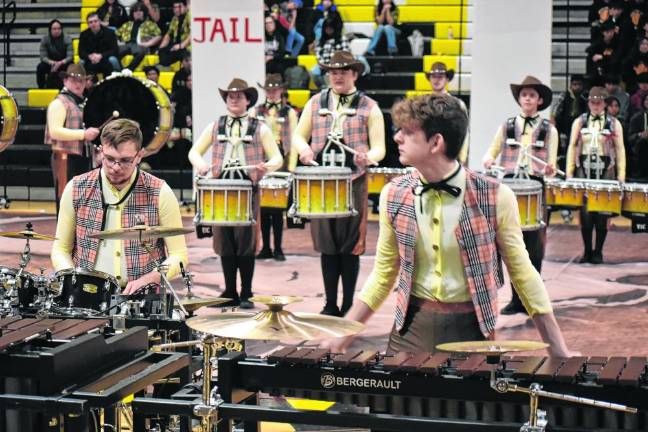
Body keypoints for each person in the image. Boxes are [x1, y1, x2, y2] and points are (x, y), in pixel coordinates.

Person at [324, 93, 571, 358]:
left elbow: (523, 274)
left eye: (407, 132)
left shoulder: (496, 197)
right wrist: (343, 336)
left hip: (473, 331)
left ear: (436, 142)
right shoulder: (393, 194)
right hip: (410, 329)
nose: (397, 137)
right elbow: (383, 275)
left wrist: (558, 351)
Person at [292, 50, 385, 317]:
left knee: (350, 245)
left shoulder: (370, 106)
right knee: (327, 244)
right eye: (333, 71)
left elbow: (379, 147)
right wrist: (304, 150)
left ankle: (347, 303)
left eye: (343, 71)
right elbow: (299, 136)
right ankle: (330, 303)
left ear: (354, 74)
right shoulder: (315, 102)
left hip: (353, 181)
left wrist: (369, 156)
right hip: (322, 183)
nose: (337, 76)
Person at [51, 118, 189, 295]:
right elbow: (60, 249)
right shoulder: (76, 188)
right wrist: (71, 279)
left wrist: (152, 278)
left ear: (139, 156)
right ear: (100, 151)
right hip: (86, 296)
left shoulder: (160, 192)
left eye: (125, 160)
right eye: (109, 159)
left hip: (142, 297)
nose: (116, 167)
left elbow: (179, 256)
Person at [189, 78, 283, 309]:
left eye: (239, 96)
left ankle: (247, 292)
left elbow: (277, 158)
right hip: (221, 190)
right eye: (230, 96)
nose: (233, 100)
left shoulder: (259, 128)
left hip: (246, 188)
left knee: (246, 242)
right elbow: (194, 152)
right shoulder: (215, 126)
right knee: (224, 241)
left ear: (248, 100)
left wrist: (266, 167)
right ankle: (229, 290)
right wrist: (201, 166)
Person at [483, 76, 558, 315]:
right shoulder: (507, 125)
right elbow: (492, 151)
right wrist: (488, 159)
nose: (527, 98)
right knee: (511, 242)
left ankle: (531, 298)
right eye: (524, 95)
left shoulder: (549, 130)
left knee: (534, 245)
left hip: (535, 186)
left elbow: (552, 162)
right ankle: (515, 299)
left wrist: (550, 168)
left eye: (532, 95)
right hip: (510, 186)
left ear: (539, 100)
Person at [566, 87, 626, 264]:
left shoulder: (614, 124)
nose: (595, 106)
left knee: (602, 214)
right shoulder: (580, 122)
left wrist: (621, 174)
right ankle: (586, 250)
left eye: (599, 102)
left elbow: (620, 149)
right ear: (588, 103)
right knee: (585, 214)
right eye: (592, 102)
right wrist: (569, 171)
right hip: (584, 170)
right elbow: (572, 145)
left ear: (605, 104)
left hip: (606, 170)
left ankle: (598, 251)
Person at [250, 74, 299, 262]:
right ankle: (265, 247)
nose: (271, 93)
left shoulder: (290, 112)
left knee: (277, 208)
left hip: (282, 160)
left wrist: (292, 166)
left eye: (274, 90)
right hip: (262, 161)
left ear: (281, 90)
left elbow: (294, 139)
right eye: (268, 90)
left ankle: (278, 247)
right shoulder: (256, 111)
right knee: (263, 208)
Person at [45, 64, 101, 211]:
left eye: (81, 81)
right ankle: (64, 234)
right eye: (74, 80)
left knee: (82, 202)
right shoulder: (59, 103)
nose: (78, 84)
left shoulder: (82, 103)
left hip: (83, 157)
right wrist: (84, 134)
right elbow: (55, 131)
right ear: (65, 81)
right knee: (66, 201)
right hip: (65, 158)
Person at [426, 62, 469, 164]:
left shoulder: (457, 104)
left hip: (450, 155)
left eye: (440, 77)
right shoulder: (423, 103)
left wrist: (462, 157)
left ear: (447, 79)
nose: (436, 80)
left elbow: (464, 132)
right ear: (430, 79)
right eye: (434, 76)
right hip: (427, 155)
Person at [551, 74, 588, 169]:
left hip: (580, 123)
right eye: (574, 84)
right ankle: (559, 152)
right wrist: (553, 118)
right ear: (571, 85)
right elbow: (556, 109)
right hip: (566, 122)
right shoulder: (565, 95)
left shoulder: (584, 96)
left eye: (579, 84)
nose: (577, 87)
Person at [116, 2, 161, 72]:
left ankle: (129, 69)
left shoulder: (150, 24)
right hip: (127, 45)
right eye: (135, 11)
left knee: (141, 51)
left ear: (144, 12)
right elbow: (116, 35)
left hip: (141, 45)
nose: (138, 13)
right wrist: (119, 42)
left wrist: (148, 44)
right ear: (132, 13)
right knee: (114, 52)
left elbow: (159, 36)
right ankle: (119, 70)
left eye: (140, 10)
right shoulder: (127, 24)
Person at [311, 15, 349, 88]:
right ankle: (324, 88)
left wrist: (334, 66)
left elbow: (346, 54)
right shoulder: (320, 41)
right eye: (326, 28)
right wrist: (323, 66)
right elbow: (318, 55)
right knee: (314, 72)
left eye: (330, 28)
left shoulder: (342, 39)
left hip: (338, 66)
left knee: (330, 75)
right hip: (324, 66)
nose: (328, 30)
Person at [79, 12, 121, 77]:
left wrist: (101, 56)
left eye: (95, 21)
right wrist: (89, 56)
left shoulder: (110, 33)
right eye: (90, 22)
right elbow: (81, 52)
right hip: (91, 61)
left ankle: (117, 80)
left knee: (113, 59)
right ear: (88, 24)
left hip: (105, 59)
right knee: (81, 62)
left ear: (99, 22)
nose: (93, 24)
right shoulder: (84, 34)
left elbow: (115, 50)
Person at [37, 19, 73, 89]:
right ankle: (41, 88)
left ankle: (70, 88)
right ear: (50, 30)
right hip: (50, 63)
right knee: (40, 67)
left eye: (59, 29)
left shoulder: (67, 38)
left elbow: (70, 56)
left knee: (72, 65)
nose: (57, 31)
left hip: (63, 63)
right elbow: (43, 57)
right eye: (54, 29)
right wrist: (52, 62)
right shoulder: (45, 39)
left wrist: (61, 62)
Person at [157, 0, 191, 67]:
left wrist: (182, 45)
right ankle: (163, 66)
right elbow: (168, 35)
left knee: (183, 52)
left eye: (179, 7)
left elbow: (193, 33)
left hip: (186, 47)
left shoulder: (189, 16)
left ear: (185, 7)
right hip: (176, 46)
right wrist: (160, 48)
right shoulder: (175, 18)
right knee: (162, 51)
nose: (177, 9)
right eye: (175, 7)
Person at [628, 92, 648, 179]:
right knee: (643, 143)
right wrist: (640, 134)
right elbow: (630, 137)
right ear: (644, 102)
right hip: (641, 147)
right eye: (647, 100)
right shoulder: (636, 118)